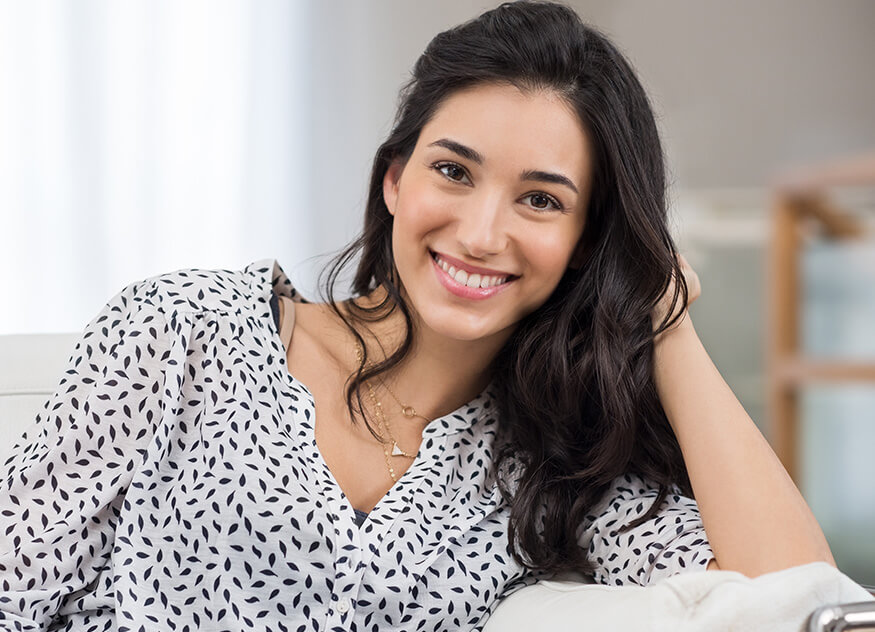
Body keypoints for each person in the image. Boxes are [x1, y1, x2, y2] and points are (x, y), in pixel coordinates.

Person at [0, 2, 835, 631]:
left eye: (541, 200)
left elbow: (800, 601)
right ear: (395, 180)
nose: (479, 234)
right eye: (453, 171)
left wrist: (666, 317)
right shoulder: (181, 327)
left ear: (587, 242)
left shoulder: (563, 471)